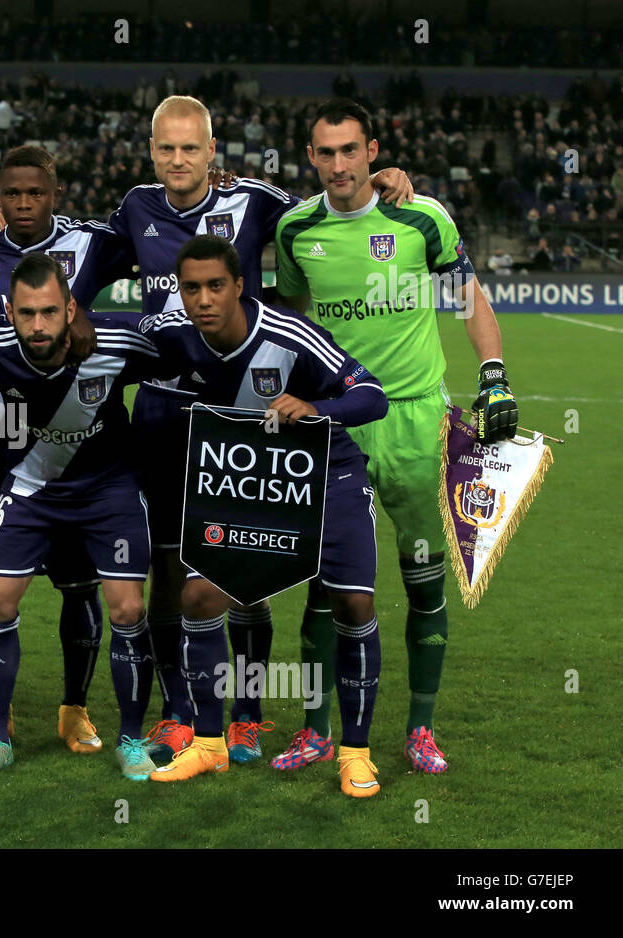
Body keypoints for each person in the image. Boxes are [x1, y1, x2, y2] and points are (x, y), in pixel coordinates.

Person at [104, 95, 413, 764]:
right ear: (151, 151)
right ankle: (181, 710)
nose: (178, 159)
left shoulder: (258, 201)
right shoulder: (133, 209)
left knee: (240, 561)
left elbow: (327, 201)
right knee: (168, 567)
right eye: (165, 148)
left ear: (213, 151)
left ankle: (244, 712)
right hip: (162, 408)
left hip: (240, 406)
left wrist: (380, 184)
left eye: (191, 147)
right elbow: (79, 263)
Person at [275, 99, 518, 775]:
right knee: (326, 586)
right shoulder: (296, 230)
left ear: (372, 149)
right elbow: (289, 320)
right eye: (325, 153)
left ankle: (420, 729)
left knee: (422, 581)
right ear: (311, 158)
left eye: (350, 150)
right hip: (334, 423)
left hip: (414, 418)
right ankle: (316, 731)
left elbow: (470, 300)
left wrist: (493, 376)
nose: (338, 165)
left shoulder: (421, 216)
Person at [138, 235, 388, 798]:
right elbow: (107, 329)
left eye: (216, 286)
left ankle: (356, 753)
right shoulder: (172, 332)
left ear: (239, 287)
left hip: (327, 476)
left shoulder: (288, 335)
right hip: (253, 482)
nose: (203, 299)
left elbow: (371, 395)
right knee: (200, 596)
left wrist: (315, 407)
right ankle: (207, 745)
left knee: (354, 602)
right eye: (192, 287)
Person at [0, 254, 167, 780]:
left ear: (72, 307)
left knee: (126, 608)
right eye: (26, 314)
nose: (39, 325)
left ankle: (132, 739)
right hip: (30, 488)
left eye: (51, 311)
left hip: (107, 491)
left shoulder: (119, 342)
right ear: (9, 312)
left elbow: (185, 343)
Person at [0, 144, 137, 755]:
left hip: (81, 441)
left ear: (54, 193)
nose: (24, 203)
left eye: (36, 192)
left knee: (80, 584)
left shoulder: (92, 242)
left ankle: (75, 709)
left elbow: (161, 238)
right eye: (13, 193)